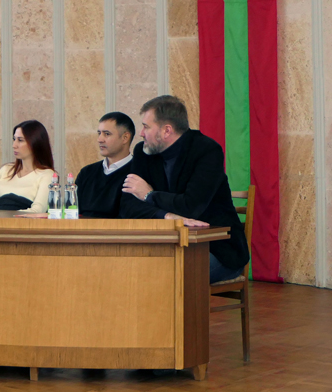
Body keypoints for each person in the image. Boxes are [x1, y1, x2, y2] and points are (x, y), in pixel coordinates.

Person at [119, 95, 250, 283]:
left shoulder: (207, 150)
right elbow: (127, 206)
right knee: (124, 270)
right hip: (166, 247)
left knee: (161, 277)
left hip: (216, 249)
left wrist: (149, 195)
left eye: (146, 127)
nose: (141, 133)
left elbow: (191, 206)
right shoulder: (143, 152)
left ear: (167, 131)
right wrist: (166, 216)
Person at [0, 120, 54, 212]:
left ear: (35, 143)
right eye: (14, 139)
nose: (14, 145)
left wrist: (10, 217)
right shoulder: (5, 170)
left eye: (20, 140)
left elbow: (37, 210)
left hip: (21, 220)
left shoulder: (47, 175)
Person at [74, 112, 135, 218]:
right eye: (99, 133)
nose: (100, 139)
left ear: (125, 138)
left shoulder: (138, 173)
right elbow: (72, 211)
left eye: (107, 134)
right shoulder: (86, 172)